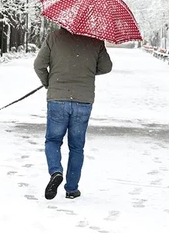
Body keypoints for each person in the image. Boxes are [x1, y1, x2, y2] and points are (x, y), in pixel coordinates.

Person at [33, 27, 112, 200]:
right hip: (83, 100)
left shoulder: (54, 37)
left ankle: (56, 171)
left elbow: (39, 65)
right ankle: (71, 188)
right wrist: (88, 69)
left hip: (57, 98)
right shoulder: (95, 40)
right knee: (77, 146)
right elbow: (107, 67)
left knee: (53, 140)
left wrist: (48, 83)